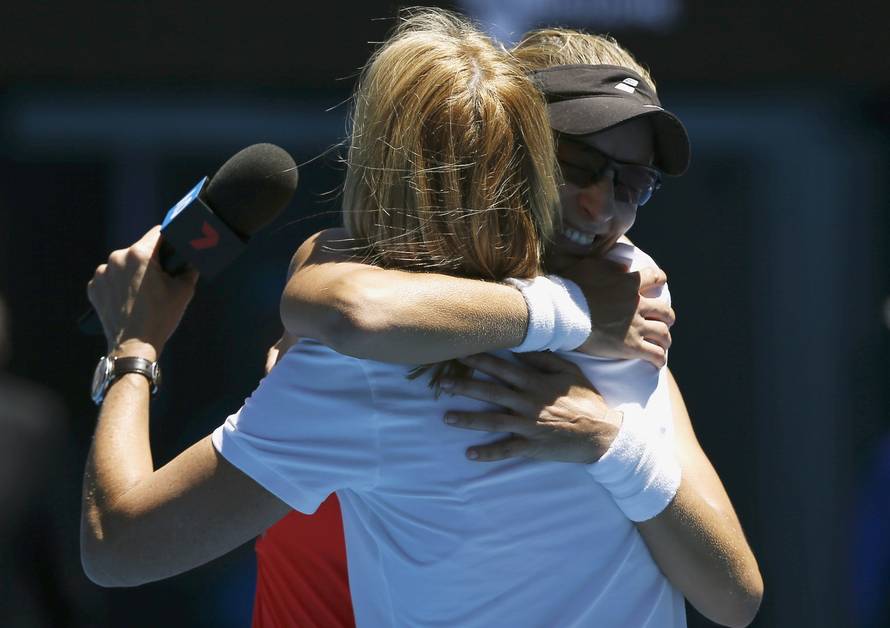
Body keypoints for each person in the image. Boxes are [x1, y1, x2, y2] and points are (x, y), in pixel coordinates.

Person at [81, 12, 762, 628]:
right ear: (507, 150)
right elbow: (343, 303)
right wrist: (577, 317)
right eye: (577, 165)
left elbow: (118, 549)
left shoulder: (624, 308)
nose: (602, 207)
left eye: (633, 185)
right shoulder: (621, 312)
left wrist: (134, 348)